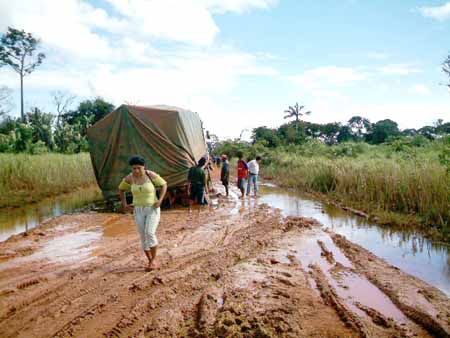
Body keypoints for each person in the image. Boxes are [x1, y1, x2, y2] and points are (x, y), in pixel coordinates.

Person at [118, 155, 167, 271]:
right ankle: (150, 261)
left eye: (138, 168)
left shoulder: (151, 175)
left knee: (149, 233)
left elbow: (164, 184)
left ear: (144, 167)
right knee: (143, 236)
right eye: (134, 168)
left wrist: (160, 200)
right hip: (138, 210)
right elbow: (121, 189)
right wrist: (124, 204)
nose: (136, 171)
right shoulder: (130, 178)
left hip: (152, 208)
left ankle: (154, 259)